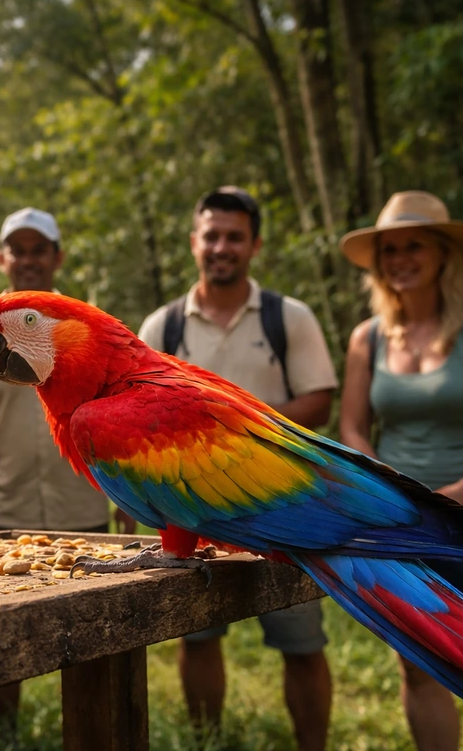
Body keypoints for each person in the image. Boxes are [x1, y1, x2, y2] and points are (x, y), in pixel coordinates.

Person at [137, 187, 336, 751]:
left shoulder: (287, 317)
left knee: (302, 642)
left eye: (234, 237)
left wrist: (232, 437)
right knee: (197, 637)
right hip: (188, 513)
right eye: (212, 235)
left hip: (282, 508)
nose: (221, 247)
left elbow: (319, 400)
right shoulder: (162, 326)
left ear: (255, 245)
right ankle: (205, 741)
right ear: (193, 242)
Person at [0, 207, 135, 748]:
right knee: (1, 634)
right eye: (16, 249)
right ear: (3, 258)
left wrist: (128, 502)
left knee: (95, 625)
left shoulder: (90, 331)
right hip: (7, 503)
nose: (27, 259)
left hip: (83, 501)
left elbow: (120, 416)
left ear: (56, 257)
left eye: (38, 249)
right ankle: (8, 733)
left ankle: (94, 729)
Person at [338, 190, 463, 751]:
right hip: (402, 521)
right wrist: (382, 490)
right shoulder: (366, 337)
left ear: (444, 253)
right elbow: (352, 427)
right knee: (421, 659)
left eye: (413, 245)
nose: (399, 259)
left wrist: (462, 492)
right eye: (388, 250)